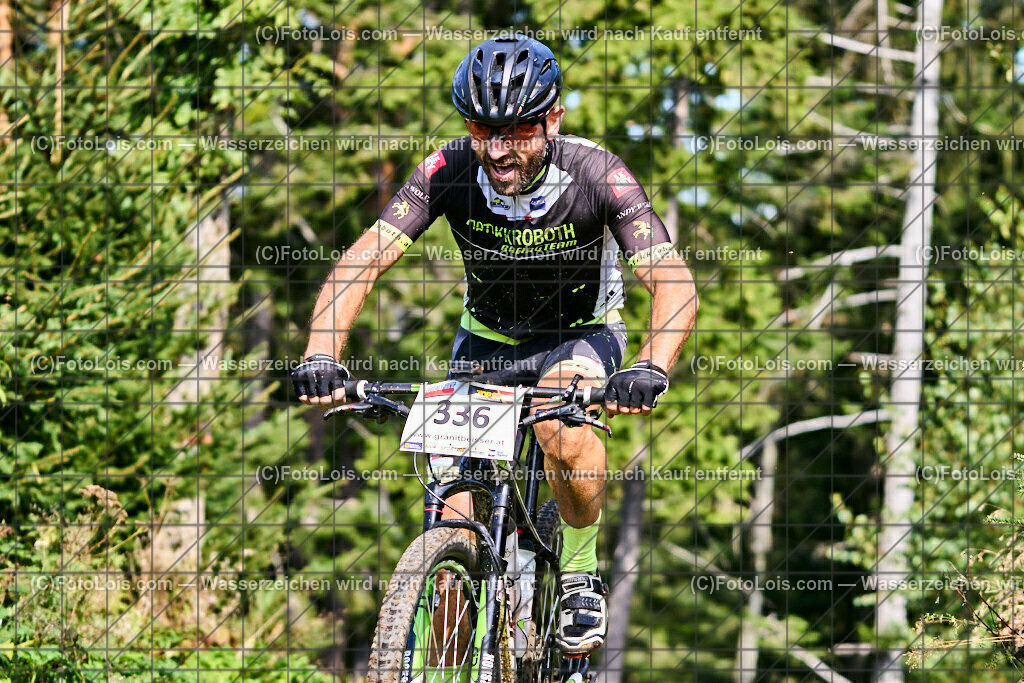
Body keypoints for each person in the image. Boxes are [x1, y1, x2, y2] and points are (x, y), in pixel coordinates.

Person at [292, 34, 698, 656]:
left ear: (553, 119)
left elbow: (672, 282)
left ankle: (580, 570)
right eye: (484, 130)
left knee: (561, 425)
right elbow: (363, 260)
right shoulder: (449, 168)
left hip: (579, 335)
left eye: (519, 131)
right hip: (485, 343)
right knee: (452, 523)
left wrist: (649, 365)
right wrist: (322, 352)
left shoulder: (597, 173)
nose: (499, 150)